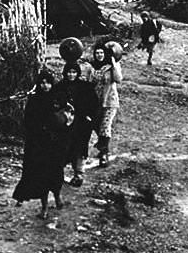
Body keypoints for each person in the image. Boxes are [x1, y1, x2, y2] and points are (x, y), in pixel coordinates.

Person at [12, 70, 73, 219]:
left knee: (56, 172)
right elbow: (28, 121)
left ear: (52, 84)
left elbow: (68, 116)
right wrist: (39, 130)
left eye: (48, 82)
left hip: (55, 143)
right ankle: (44, 207)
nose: (45, 86)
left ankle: (58, 197)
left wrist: (64, 125)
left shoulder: (58, 98)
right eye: (42, 82)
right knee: (42, 176)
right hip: (39, 144)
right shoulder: (34, 100)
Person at [57, 48, 98, 187]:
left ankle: (79, 173)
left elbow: (94, 104)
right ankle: (58, 173)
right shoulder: (59, 87)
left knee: (80, 147)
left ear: (78, 73)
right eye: (69, 72)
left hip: (81, 124)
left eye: (74, 72)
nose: (71, 75)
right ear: (65, 73)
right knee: (63, 146)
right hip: (64, 124)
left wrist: (89, 117)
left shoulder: (85, 87)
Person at [93, 42, 123, 167]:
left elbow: (118, 79)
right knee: (95, 125)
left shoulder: (112, 66)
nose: (99, 55)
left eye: (101, 53)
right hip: (96, 102)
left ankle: (104, 154)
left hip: (109, 101)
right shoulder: (93, 66)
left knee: (105, 125)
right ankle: (101, 145)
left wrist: (113, 64)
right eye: (97, 53)